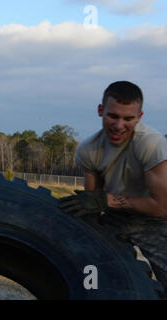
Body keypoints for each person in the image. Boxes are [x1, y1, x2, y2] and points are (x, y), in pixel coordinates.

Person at [58, 81, 167, 296]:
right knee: (89, 265)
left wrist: (105, 200)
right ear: (100, 111)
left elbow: (162, 207)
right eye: (113, 116)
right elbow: (91, 203)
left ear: (140, 117)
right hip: (114, 217)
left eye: (128, 119)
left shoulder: (152, 144)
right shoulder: (89, 149)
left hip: (156, 221)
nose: (119, 126)